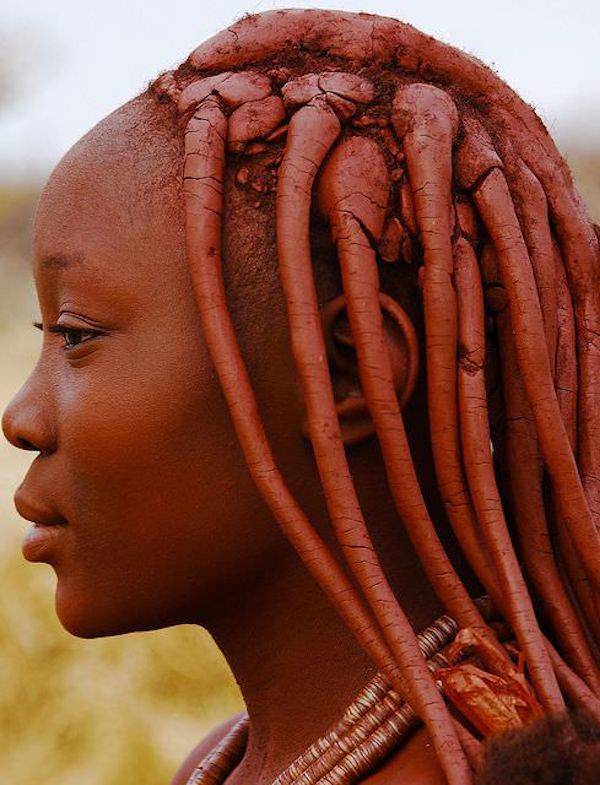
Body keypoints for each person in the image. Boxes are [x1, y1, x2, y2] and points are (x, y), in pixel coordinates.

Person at [3, 9, 600, 784]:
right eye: (42, 332)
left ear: (352, 372)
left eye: (77, 336)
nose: (20, 417)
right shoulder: (222, 763)